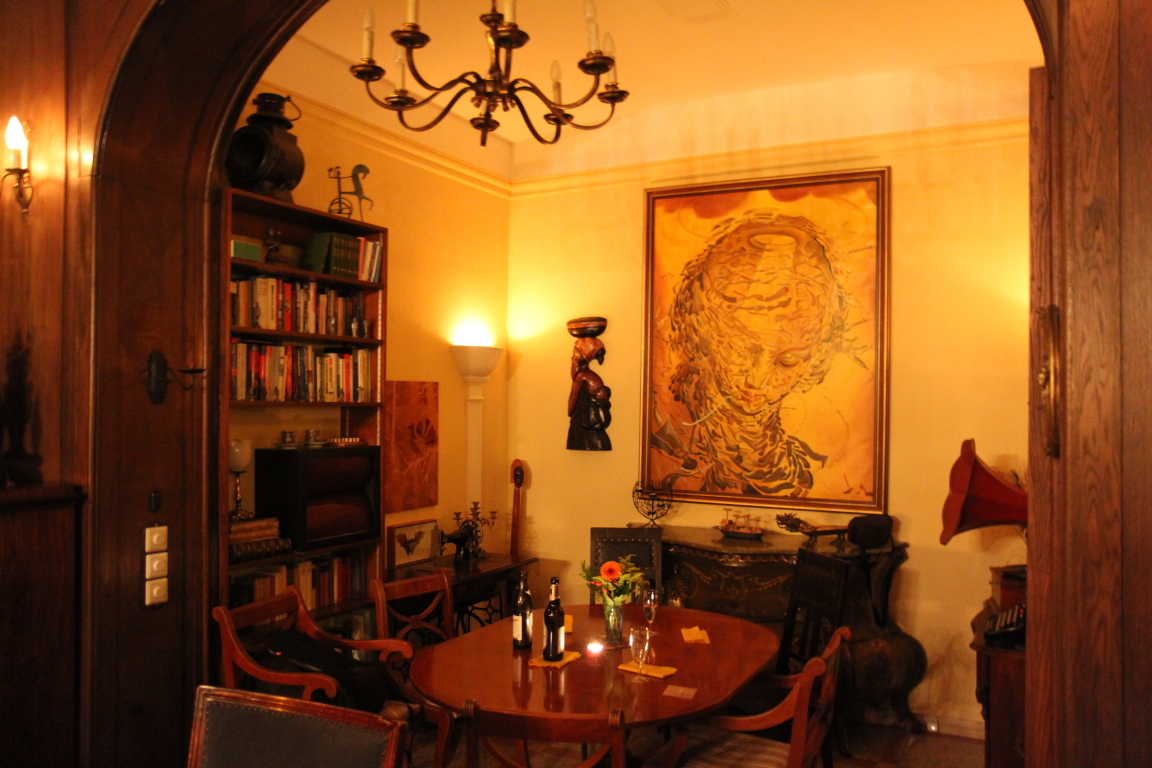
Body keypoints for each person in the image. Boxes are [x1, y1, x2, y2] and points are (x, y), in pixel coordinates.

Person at [657, 210, 853, 496]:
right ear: (700, 330)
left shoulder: (815, 465)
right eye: (741, 350)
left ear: (818, 354)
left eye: (788, 360)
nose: (758, 379)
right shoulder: (665, 444)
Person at [567, 318, 612, 451]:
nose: (573, 359)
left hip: (586, 420)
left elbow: (574, 396)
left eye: (575, 356)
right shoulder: (588, 375)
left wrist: (570, 411)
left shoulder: (583, 376)